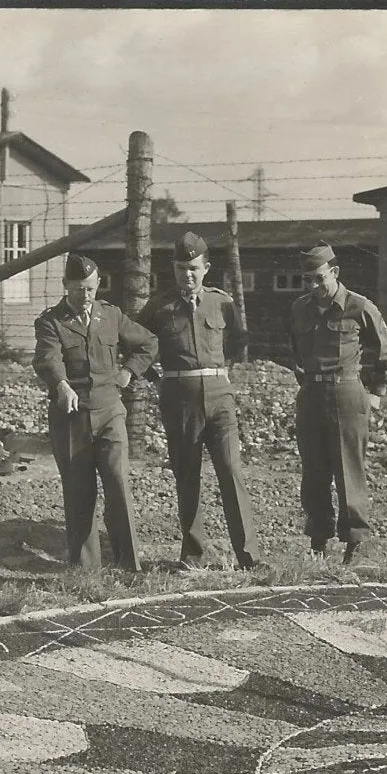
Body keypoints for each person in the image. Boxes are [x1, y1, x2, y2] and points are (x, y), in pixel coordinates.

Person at [137, 231, 260, 570]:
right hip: (179, 398)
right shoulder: (159, 307)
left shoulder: (221, 302)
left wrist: (220, 373)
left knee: (231, 471)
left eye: (192, 268)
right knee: (187, 475)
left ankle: (249, 556)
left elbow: (238, 341)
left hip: (220, 397)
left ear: (206, 268)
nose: (186, 275)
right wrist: (154, 378)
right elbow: (133, 344)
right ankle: (193, 555)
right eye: (180, 268)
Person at [33, 252, 158, 571]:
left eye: (90, 289)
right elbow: (48, 357)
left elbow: (148, 343)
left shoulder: (112, 315)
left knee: (118, 484)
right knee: (79, 492)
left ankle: (130, 565)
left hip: (109, 412)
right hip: (72, 416)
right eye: (77, 289)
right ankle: (86, 570)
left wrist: (129, 371)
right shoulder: (51, 321)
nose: (84, 296)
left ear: (98, 284)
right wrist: (61, 385)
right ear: (65, 286)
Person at [289, 242, 387, 563]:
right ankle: (318, 540)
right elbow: (296, 349)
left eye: (319, 278)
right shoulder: (300, 308)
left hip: (347, 394)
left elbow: (386, 349)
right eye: (307, 279)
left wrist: (377, 391)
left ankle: (356, 542)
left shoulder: (359, 307)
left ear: (334, 273)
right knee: (314, 472)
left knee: (348, 469)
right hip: (311, 396)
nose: (313, 286)